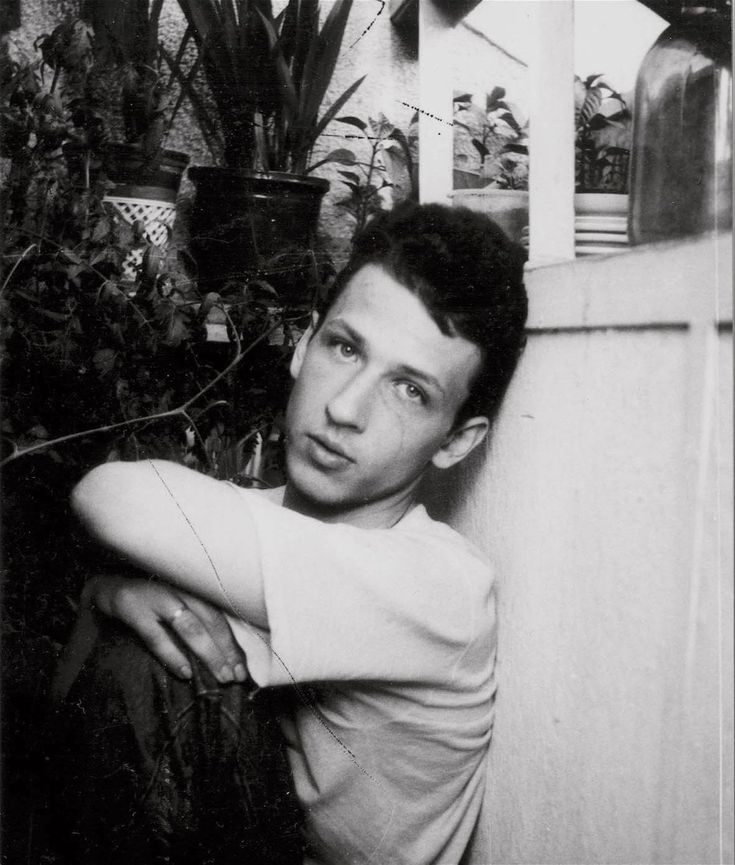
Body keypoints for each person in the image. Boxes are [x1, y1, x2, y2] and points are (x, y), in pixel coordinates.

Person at [51, 202, 528, 865]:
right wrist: (106, 595)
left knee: (160, 664)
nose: (344, 408)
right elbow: (64, 719)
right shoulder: (259, 521)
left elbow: (109, 495)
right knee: (142, 643)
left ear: (457, 441)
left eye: (409, 391)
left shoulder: (439, 586)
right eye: (344, 347)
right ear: (304, 344)